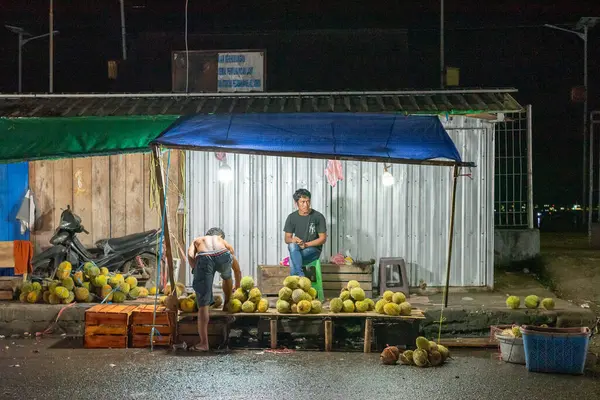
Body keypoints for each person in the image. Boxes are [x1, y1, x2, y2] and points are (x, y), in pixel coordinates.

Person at [187, 227, 240, 351]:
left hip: (204, 257)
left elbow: (190, 254)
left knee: (203, 304)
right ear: (220, 236)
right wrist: (236, 286)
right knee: (227, 277)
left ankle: (204, 344)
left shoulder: (198, 240)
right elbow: (236, 268)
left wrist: (196, 269)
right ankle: (227, 304)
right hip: (223, 254)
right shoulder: (222, 241)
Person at [283, 189, 327, 277]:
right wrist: (293, 240)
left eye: (308, 202)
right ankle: (301, 276)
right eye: (302, 202)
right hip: (298, 248)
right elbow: (287, 239)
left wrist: (306, 245)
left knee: (293, 259)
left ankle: (299, 278)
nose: (306, 205)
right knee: (291, 245)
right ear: (296, 203)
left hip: (313, 250)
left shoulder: (318, 217)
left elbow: (323, 239)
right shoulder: (292, 217)